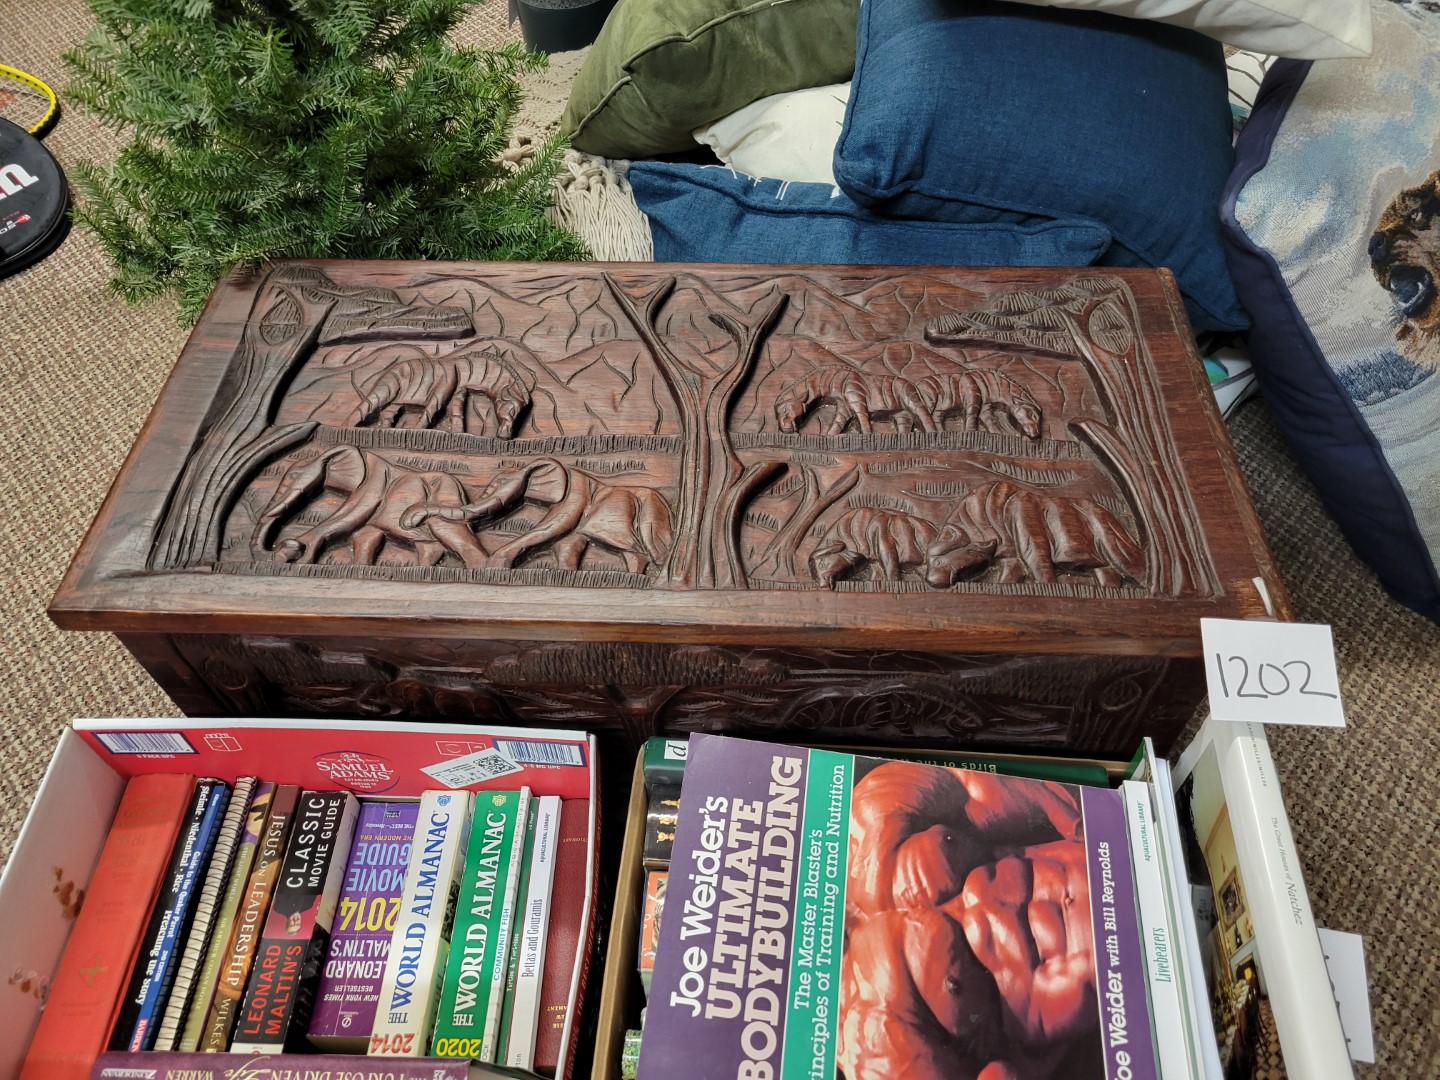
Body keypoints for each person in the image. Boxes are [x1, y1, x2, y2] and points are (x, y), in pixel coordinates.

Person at [838, 761, 1104, 1080]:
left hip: (1094, 878)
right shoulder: (868, 1036)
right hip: (1085, 967)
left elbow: (969, 784)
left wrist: (1073, 821)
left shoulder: (865, 832)